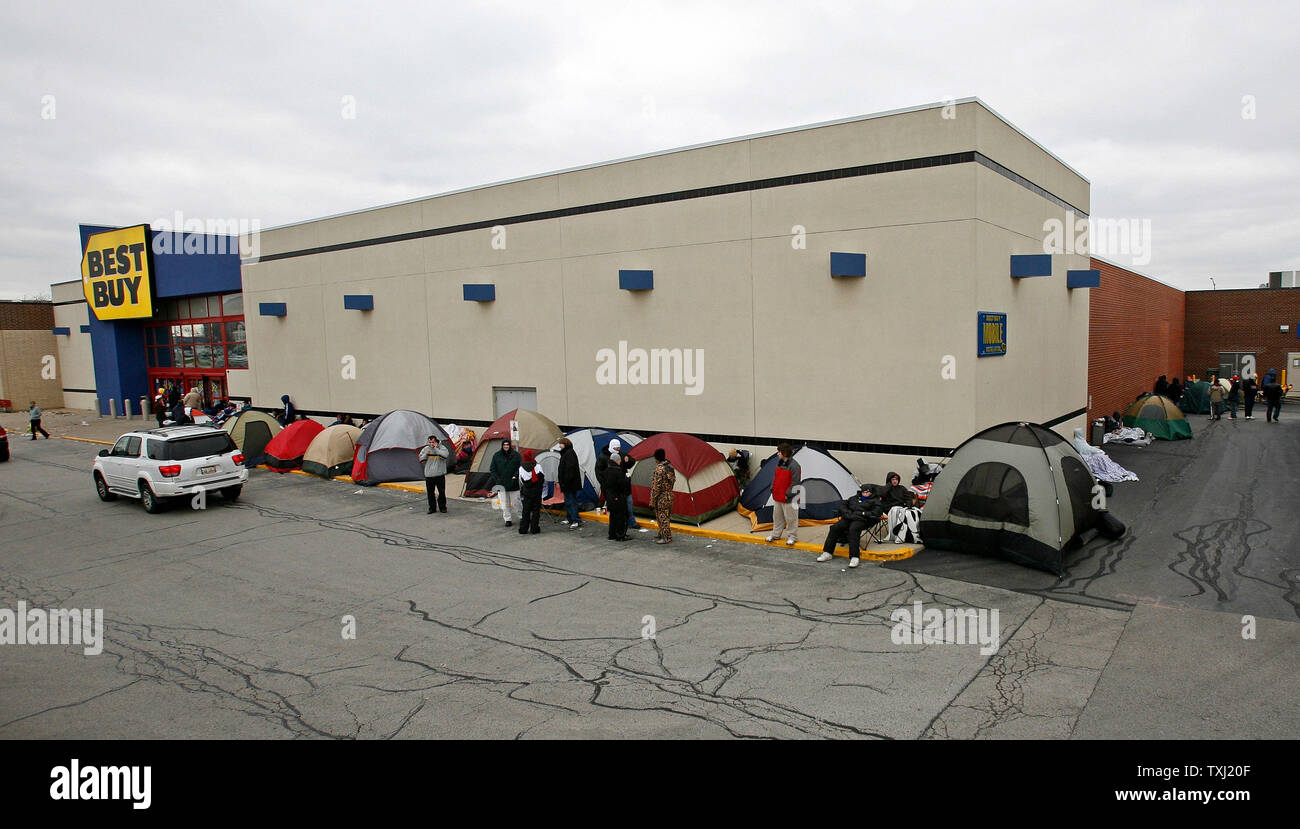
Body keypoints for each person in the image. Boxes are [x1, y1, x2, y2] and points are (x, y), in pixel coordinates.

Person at [816, 484, 884, 568]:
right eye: (864, 492)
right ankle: (827, 552)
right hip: (849, 517)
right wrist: (847, 513)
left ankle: (854, 556)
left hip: (863, 520)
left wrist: (863, 513)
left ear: (871, 493)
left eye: (868, 492)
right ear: (861, 492)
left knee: (853, 529)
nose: (866, 494)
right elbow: (843, 505)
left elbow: (877, 512)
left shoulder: (875, 500)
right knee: (835, 528)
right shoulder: (854, 498)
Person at [765, 442, 801, 546]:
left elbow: (795, 483)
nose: (777, 454)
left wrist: (787, 495)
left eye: (779, 452)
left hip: (789, 498)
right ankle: (776, 534)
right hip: (778, 496)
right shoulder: (780, 462)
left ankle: (792, 537)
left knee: (791, 519)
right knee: (777, 517)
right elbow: (775, 477)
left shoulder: (795, 466)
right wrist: (773, 489)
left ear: (784, 453)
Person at [488, 438, 522, 527]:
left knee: (516, 503)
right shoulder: (496, 455)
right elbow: (492, 469)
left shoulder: (516, 455)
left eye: (507, 444)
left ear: (510, 445)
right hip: (501, 484)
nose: (506, 446)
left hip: (513, 483)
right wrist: (497, 479)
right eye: (504, 445)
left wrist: (515, 476)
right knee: (504, 503)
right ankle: (508, 519)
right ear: (502, 446)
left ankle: (522, 517)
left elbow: (520, 467)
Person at [418, 434, 451, 514]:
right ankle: (432, 508)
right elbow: (420, 458)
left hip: (439, 474)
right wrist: (426, 454)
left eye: (433, 442)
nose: (431, 444)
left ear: (436, 441)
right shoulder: (426, 449)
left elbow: (445, 455)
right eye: (430, 442)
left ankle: (443, 507)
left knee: (441, 492)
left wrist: (436, 449)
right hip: (429, 475)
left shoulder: (442, 448)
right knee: (430, 493)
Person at [649, 447, 676, 544]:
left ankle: (667, 537)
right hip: (669, 495)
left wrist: (652, 501)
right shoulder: (670, 467)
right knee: (666, 516)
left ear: (656, 458)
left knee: (662, 517)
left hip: (661, 497)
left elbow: (656, 487)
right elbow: (672, 481)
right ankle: (661, 533)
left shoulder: (659, 469)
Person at [602, 451, 631, 542]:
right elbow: (622, 485)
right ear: (617, 461)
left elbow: (604, 485)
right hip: (618, 496)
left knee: (613, 516)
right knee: (621, 516)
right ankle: (620, 535)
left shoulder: (606, 471)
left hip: (610, 497)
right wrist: (627, 479)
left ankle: (612, 534)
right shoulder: (617, 471)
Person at [557, 438, 584, 528]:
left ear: (565, 444)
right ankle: (570, 518)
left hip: (569, 484)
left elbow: (570, 469)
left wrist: (566, 481)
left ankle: (575, 520)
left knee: (571, 501)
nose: (559, 445)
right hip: (567, 483)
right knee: (568, 501)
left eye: (561, 444)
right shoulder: (566, 453)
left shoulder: (569, 453)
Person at [517, 449, 544, 534]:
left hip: (527, 491)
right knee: (536, 511)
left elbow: (521, 480)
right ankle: (534, 529)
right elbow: (542, 478)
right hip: (537, 491)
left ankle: (523, 529)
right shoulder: (537, 466)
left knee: (526, 511)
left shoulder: (521, 468)